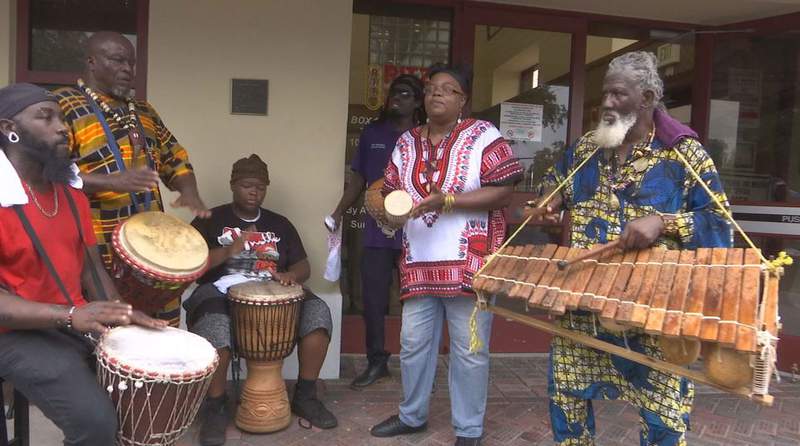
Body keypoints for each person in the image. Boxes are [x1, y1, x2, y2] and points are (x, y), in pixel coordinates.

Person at [524, 51, 733, 446]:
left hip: (652, 316)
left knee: (664, 423)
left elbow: (721, 225)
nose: (606, 103)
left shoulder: (684, 155)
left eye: (618, 94)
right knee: (567, 407)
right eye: (605, 93)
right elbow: (550, 191)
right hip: (582, 309)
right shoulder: (586, 149)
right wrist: (545, 209)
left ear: (648, 98)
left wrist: (665, 222)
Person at [0, 83, 167, 446]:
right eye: (46, 117)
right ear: (7, 128)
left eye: (62, 117)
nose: (63, 127)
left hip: (70, 322)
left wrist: (121, 313)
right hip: (14, 335)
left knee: (141, 399)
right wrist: (71, 315)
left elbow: (92, 270)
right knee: (96, 424)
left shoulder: (70, 193)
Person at [370, 64, 523, 446]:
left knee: (469, 352)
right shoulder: (406, 143)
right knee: (412, 346)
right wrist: (388, 208)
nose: (436, 94)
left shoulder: (483, 136)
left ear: (462, 100)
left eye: (447, 89)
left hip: (471, 265)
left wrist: (448, 200)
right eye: (431, 89)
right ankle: (412, 415)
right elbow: (390, 190)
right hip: (419, 264)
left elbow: (504, 190)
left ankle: (468, 430)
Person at [55, 31, 210, 326]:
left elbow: (174, 156)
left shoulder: (143, 110)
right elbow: (53, 173)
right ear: (92, 61)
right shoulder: (64, 104)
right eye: (118, 60)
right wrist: (112, 182)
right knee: (109, 335)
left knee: (161, 331)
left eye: (132, 63)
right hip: (96, 246)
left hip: (152, 245)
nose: (128, 69)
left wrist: (188, 190)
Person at [184, 154, 337, 445]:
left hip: (273, 291)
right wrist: (229, 251)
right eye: (246, 185)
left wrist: (291, 274)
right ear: (233, 185)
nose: (254, 192)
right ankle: (215, 407)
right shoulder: (210, 220)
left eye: (261, 187)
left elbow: (304, 266)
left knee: (318, 313)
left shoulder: (280, 224)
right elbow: (192, 265)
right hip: (218, 289)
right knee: (214, 327)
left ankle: (305, 395)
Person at [329, 74, 426, 388]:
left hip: (417, 234)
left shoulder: (424, 136)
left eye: (406, 93)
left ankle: (419, 366)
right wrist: (338, 212)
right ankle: (376, 362)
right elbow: (358, 180)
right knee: (372, 300)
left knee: (418, 302)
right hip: (376, 233)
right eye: (394, 92)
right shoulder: (372, 133)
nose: (397, 97)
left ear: (418, 102)